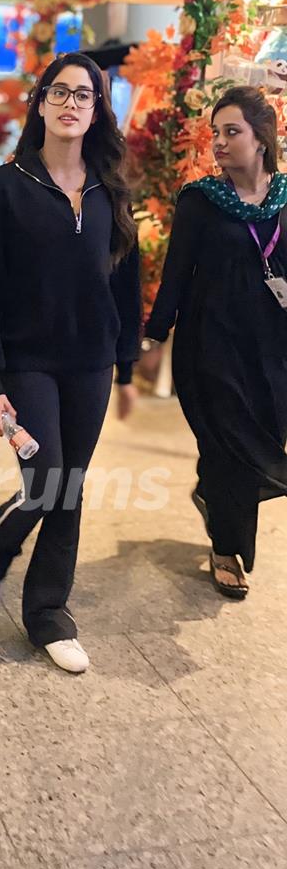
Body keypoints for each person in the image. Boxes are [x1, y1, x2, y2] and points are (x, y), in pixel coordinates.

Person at [0, 53, 141, 673]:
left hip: (90, 362)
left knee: (70, 489)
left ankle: (48, 614)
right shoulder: (7, 185)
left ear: (97, 111)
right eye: (59, 93)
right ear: (39, 104)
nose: (71, 104)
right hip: (26, 362)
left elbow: (124, 281)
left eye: (84, 96)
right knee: (47, 482)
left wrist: (126, 364)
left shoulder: (110, 191)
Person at [144, 86, 287, 598]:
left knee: (262, 440)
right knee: (229, 445)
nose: (220, 143)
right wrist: (153, 334)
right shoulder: (201, 201)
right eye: (216, 133)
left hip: (273, 350)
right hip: (211, 346)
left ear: (262, 139)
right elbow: (176, 274)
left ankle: (210, 494)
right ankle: (227, 549)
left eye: (233, 132)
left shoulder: (286, 199)